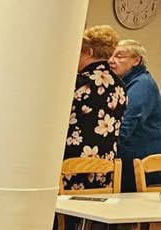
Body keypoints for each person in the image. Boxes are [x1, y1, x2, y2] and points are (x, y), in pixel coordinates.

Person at [65, 25, 127, 191]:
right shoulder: (120, 86)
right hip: (103, 166)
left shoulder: (79, 82)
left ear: (89, 52)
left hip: (72, 166)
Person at [112, 39, 161, 191]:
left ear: (136, 60)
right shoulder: (125, 83)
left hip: (141, 165)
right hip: (132, 161)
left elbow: (126, 125)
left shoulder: (142, 84)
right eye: (111, 56)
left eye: (119, 56)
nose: (111, 61)